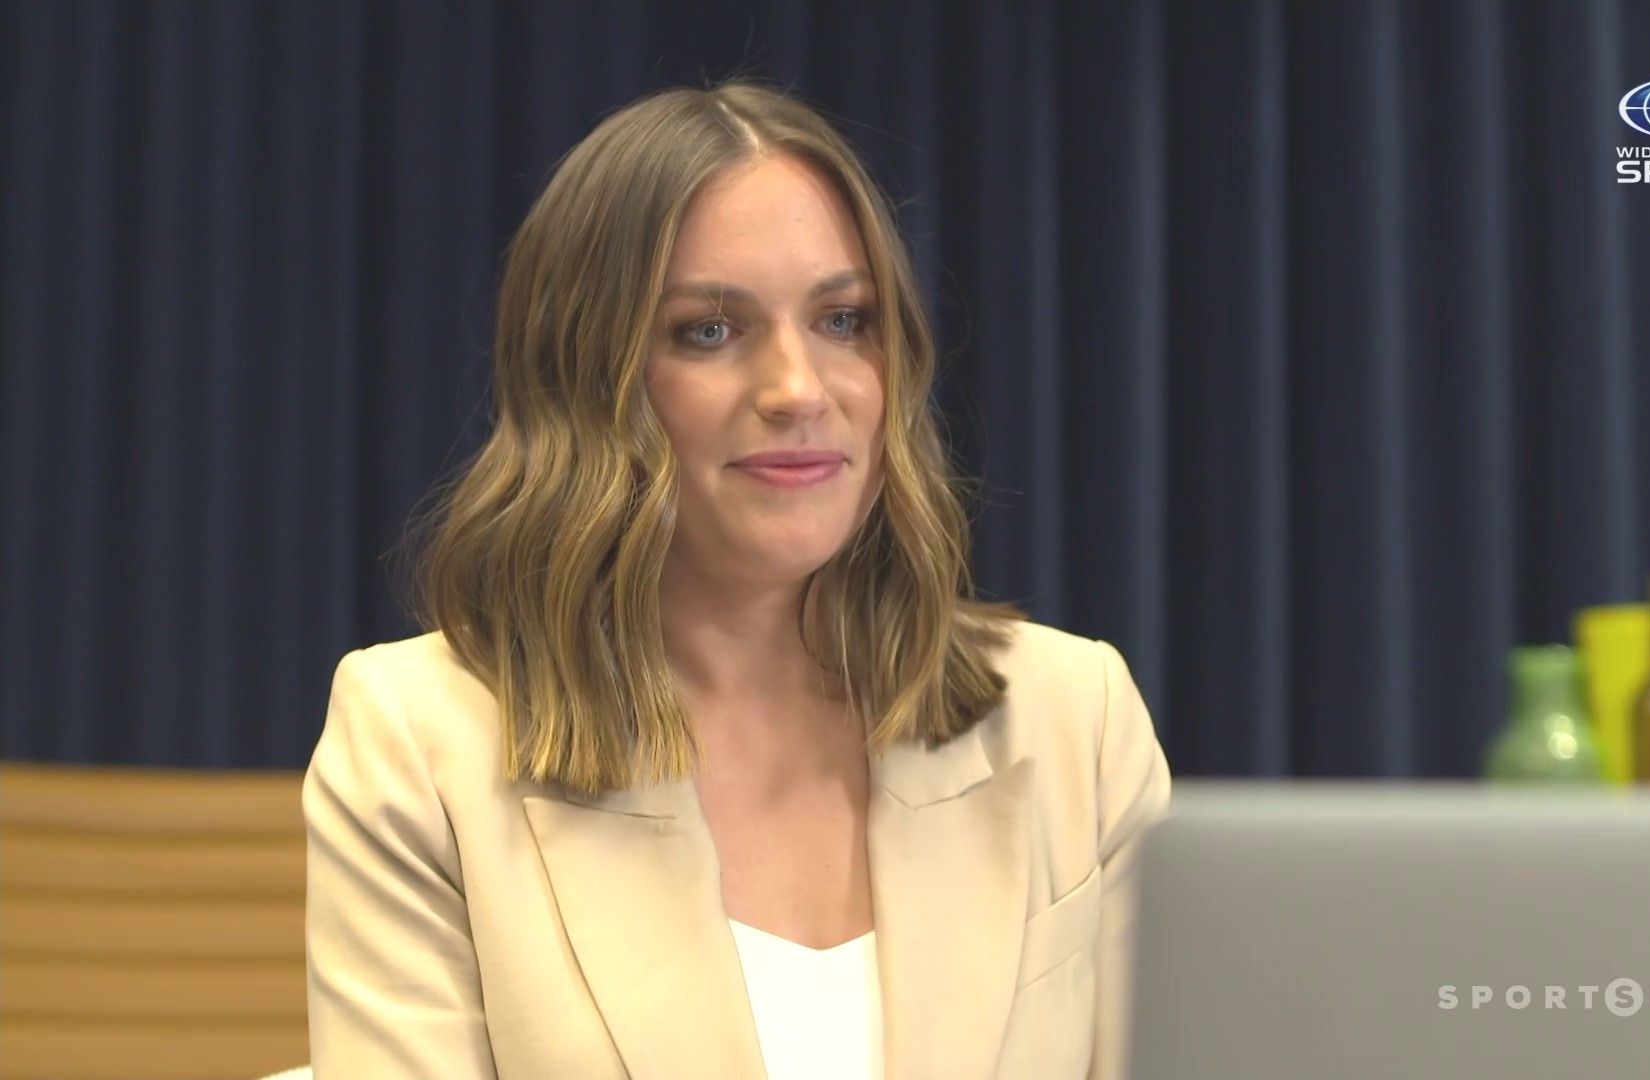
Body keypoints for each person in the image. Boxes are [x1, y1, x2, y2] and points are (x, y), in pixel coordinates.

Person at [302, 77, 1172, 1080]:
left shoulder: (1074, 718)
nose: (798, 389)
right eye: (709, 331)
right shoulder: (416, 744)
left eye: (842, 320)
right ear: (590, 381)